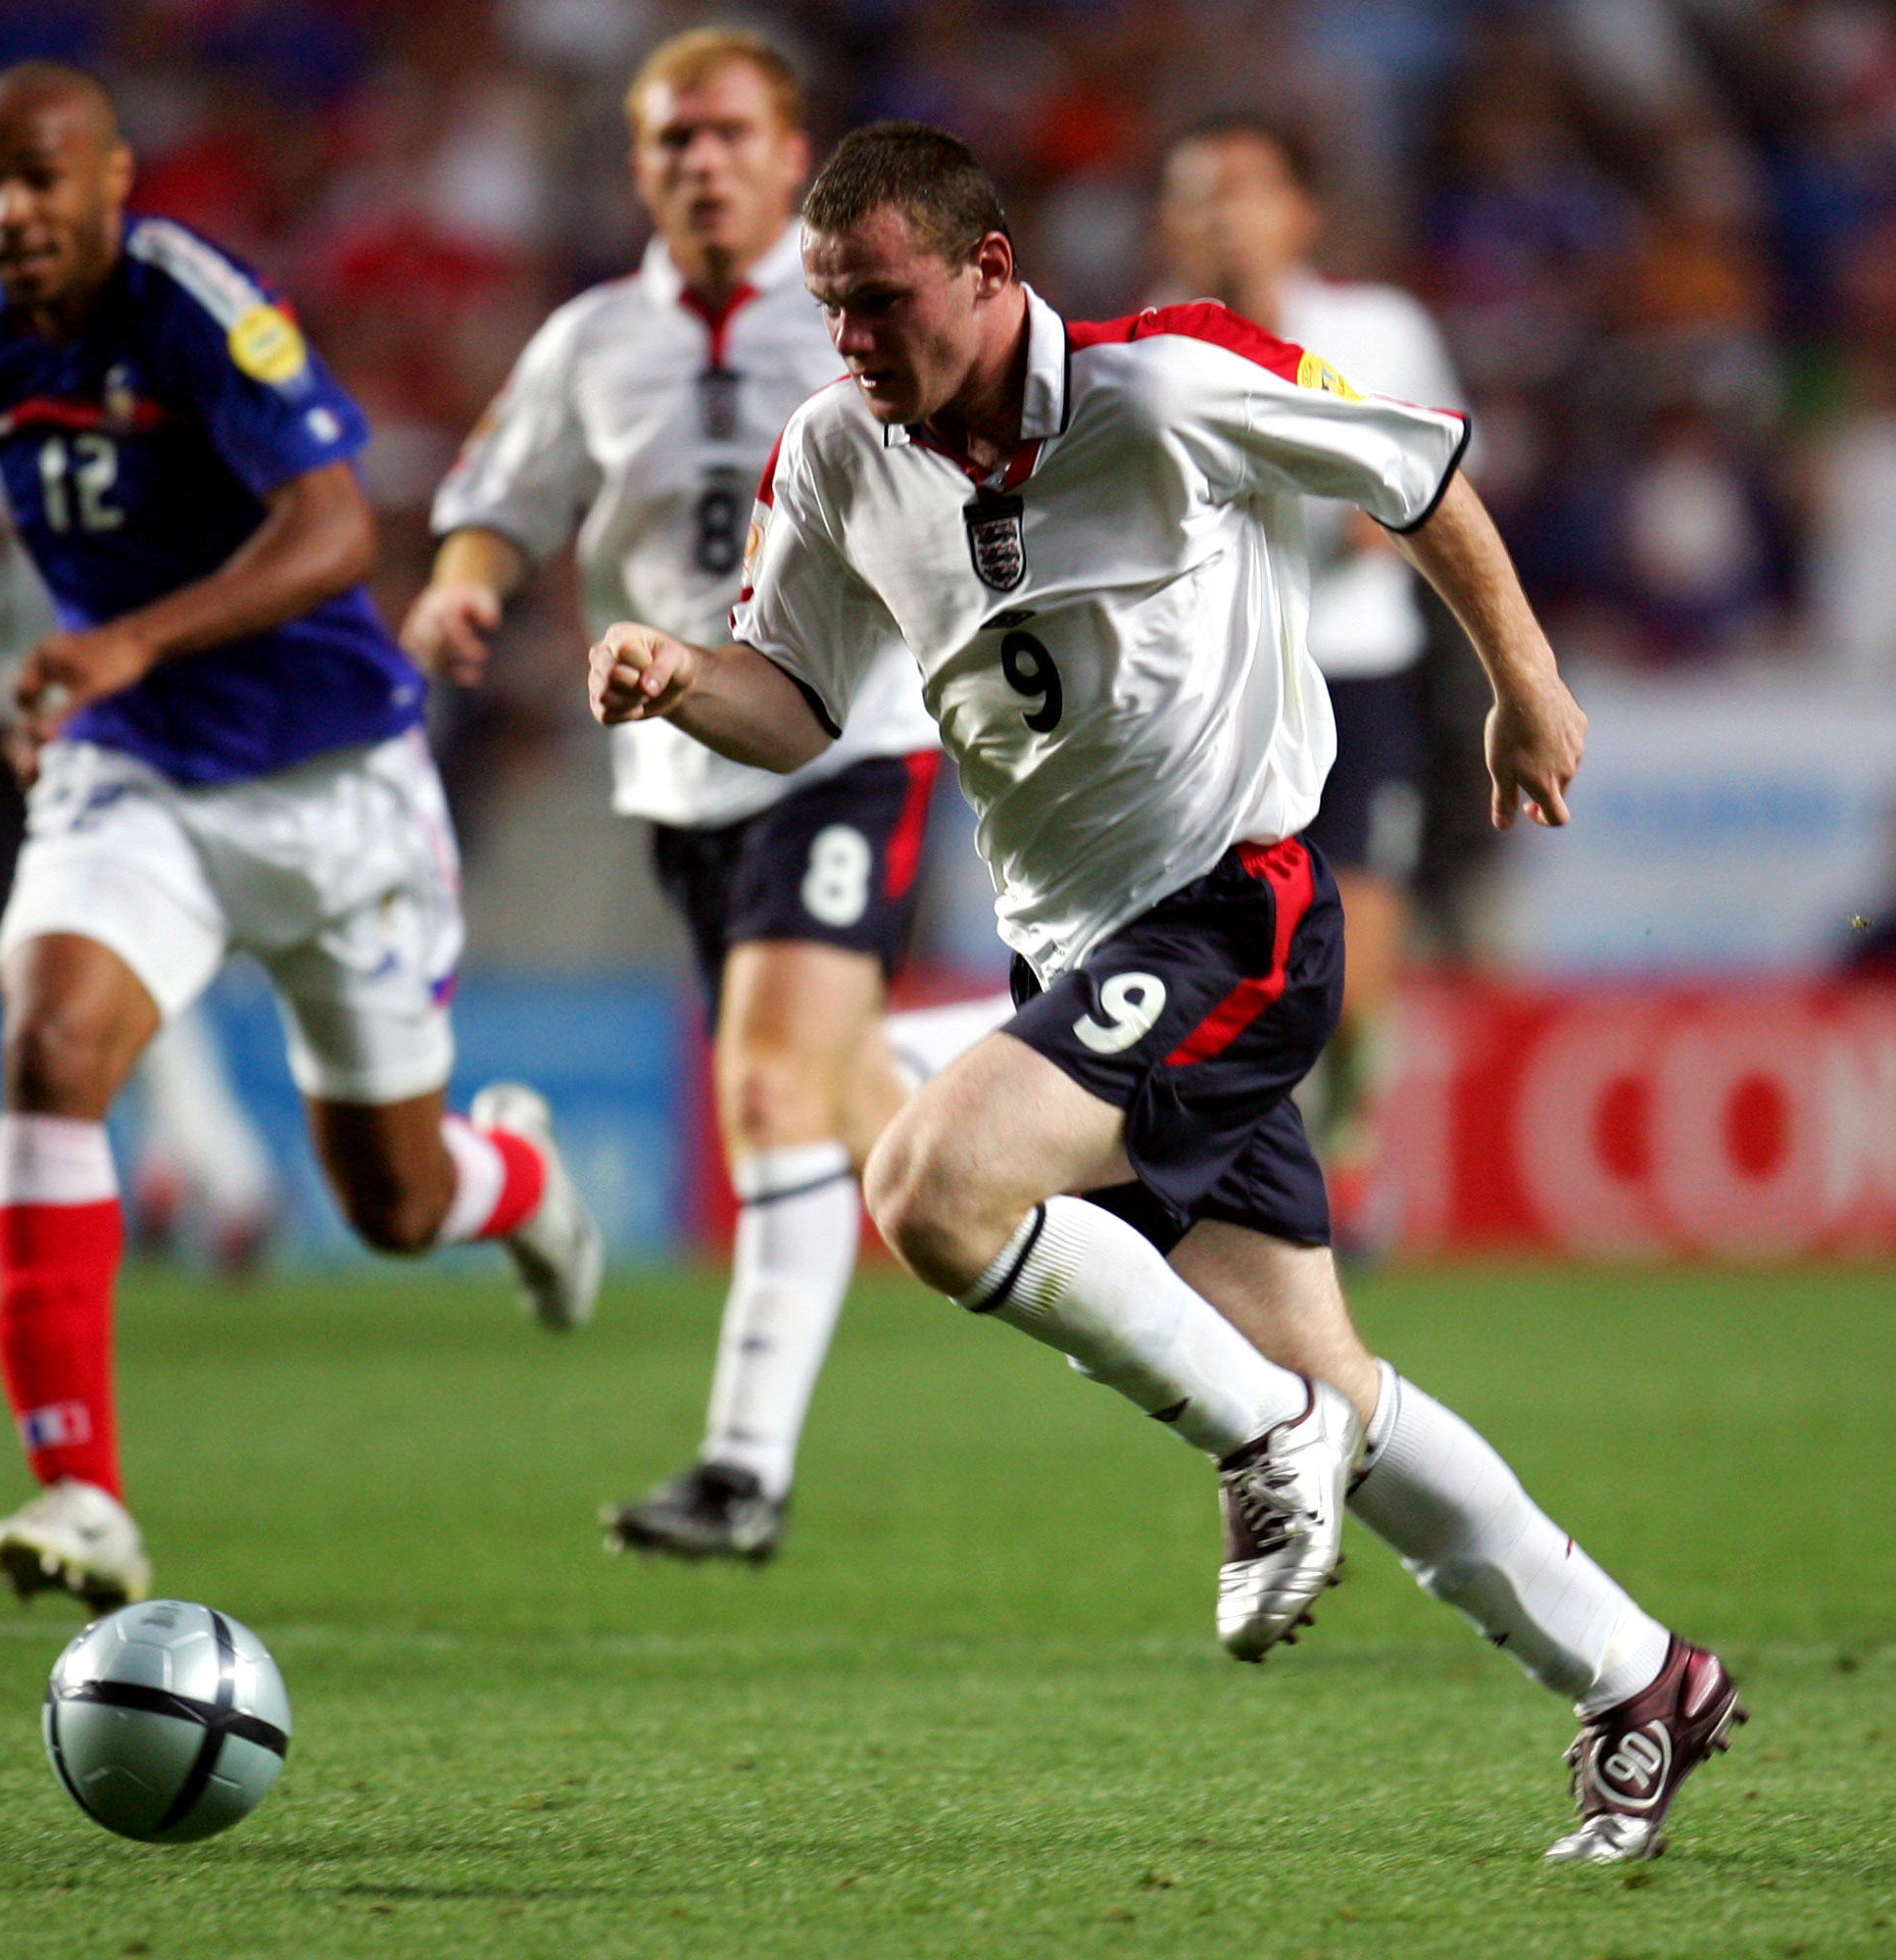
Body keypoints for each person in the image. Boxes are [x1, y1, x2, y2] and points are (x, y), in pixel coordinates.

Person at [590, 122, 1739, 1866]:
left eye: (881, 302)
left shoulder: (1169, 382)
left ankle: (1253, 1437)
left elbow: (1416, 473)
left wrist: (1525, 683)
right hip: (1082, 952)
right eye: (830, 309)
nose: (851, 343)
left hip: (1238, 914)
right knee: (1336, 1385)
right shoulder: (833, 453)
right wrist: (683, 678)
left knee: (930, 1182)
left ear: (989, 271)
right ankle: (1639, 1677)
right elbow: (797, 698)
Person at [0, 62, 604, 1611]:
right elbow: (88, 533)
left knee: (393, 1204)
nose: (12, 212)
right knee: (50, 1049)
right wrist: (72, 671)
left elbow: (332, 529)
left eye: (41, 178)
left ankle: (517, 1182)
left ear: (114, 182)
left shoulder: (193, 306)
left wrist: (131, 640)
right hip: (138, 771)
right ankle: (79, 1484)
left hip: (330, 785)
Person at [409, 30, 995, 1563]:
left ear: (789, 151)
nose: (702, 161)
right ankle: (1048, 1046)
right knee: (829, 1084)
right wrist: (465, 593)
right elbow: (496, 503)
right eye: (673, 139)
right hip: (678, 774)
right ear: (639, 166)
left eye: (731, 133)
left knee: (763, 1082)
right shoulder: (591, 341)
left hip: (851, 741)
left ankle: (742, 1471)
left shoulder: (860, 326)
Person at [0, 400, 285, 1279]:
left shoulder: (141, 409)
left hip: (140, 717)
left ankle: (211, 1176)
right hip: (0, 742)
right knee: (103, 954)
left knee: (124, 945)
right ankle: (192, 1172)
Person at [1155, 117, 1465, 1257]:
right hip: (1219, 684)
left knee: (1364, 935)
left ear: (1301, 213)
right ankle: (1235, 1164)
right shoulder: (1145, 350)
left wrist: (1381, 513)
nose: (1224, 210)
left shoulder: (1378, 327)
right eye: (1200, 191)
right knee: (1231, 950)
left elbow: (1429, 478)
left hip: (1360, 664)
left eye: (1245, 186)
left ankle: (1350, 1157)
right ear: (1170, 223)